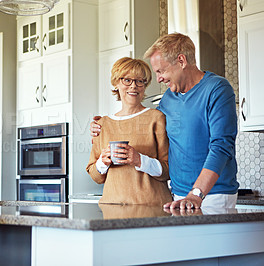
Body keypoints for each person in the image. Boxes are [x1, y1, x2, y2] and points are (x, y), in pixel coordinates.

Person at [90, 33, 239, 209]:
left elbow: (221, 146)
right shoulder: (169, 98)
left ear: (181, 61)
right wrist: (102, 126)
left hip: (212, 194)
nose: (159, 78)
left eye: (161, 71)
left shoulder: (217, 89)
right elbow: (143, 123)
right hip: (178, 194)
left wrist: (196, 194)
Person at [86, 57, 172, 206]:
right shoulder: (102, 124)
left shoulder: (156, 118)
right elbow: (95, 176)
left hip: (151, 206)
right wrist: (103, 162)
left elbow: (168, 170)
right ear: (116, 83)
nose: (134, 86)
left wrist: (139, 159)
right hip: (112, 207)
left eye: (140, 81)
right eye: (127, 80)